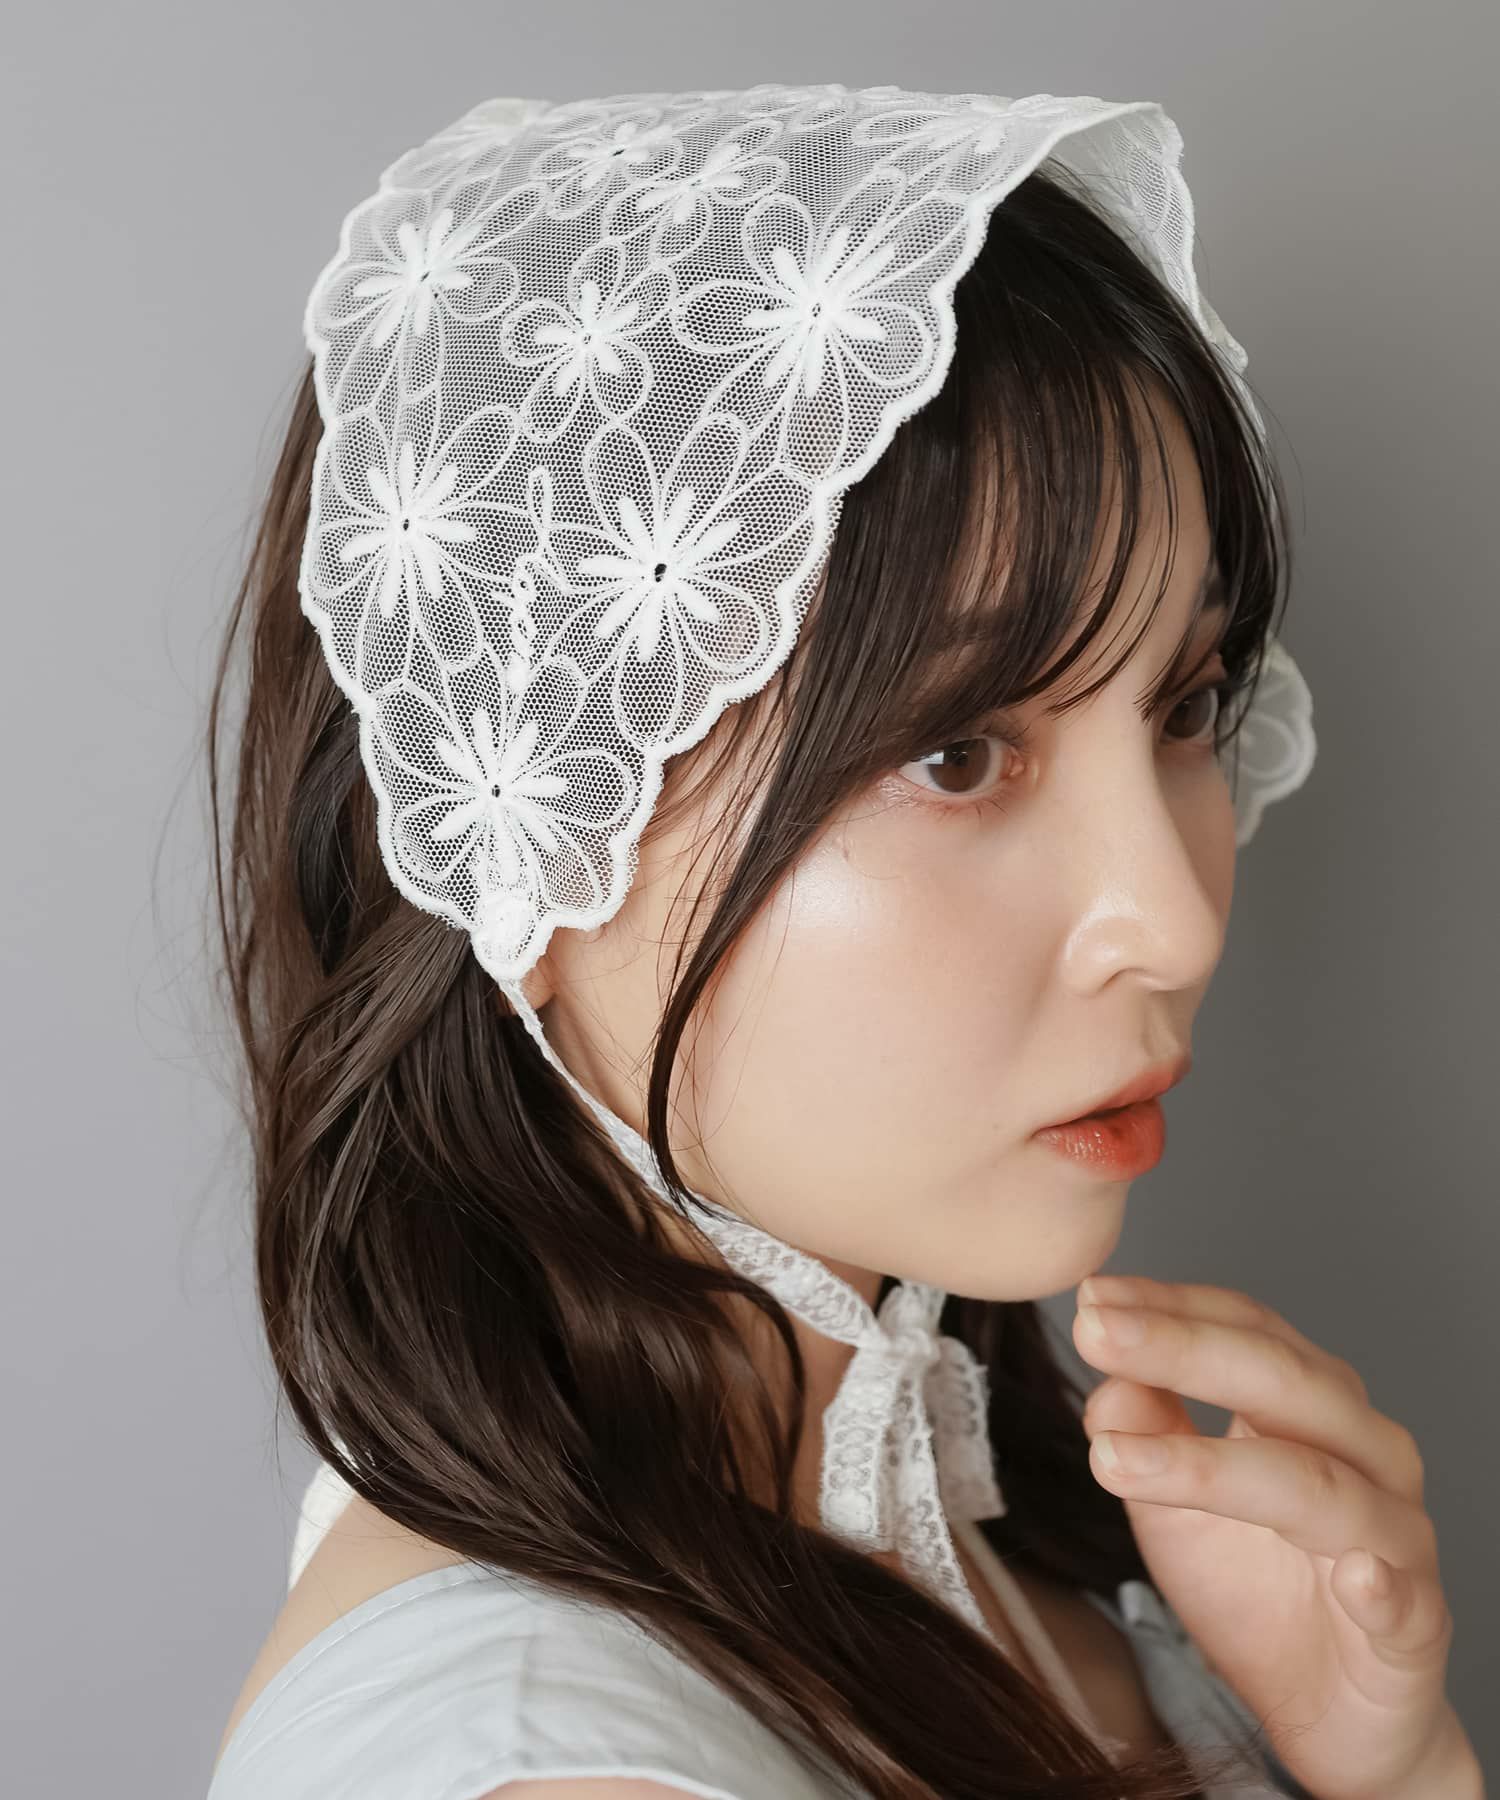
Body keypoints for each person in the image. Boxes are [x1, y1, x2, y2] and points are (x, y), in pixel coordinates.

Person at [202, 84, 1476, 1800]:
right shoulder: (553, 1769)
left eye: (1186, 705)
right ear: (529, 826)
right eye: (957, 754)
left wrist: (1389, 1772)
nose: (1172, 920)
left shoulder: (982, 1538)